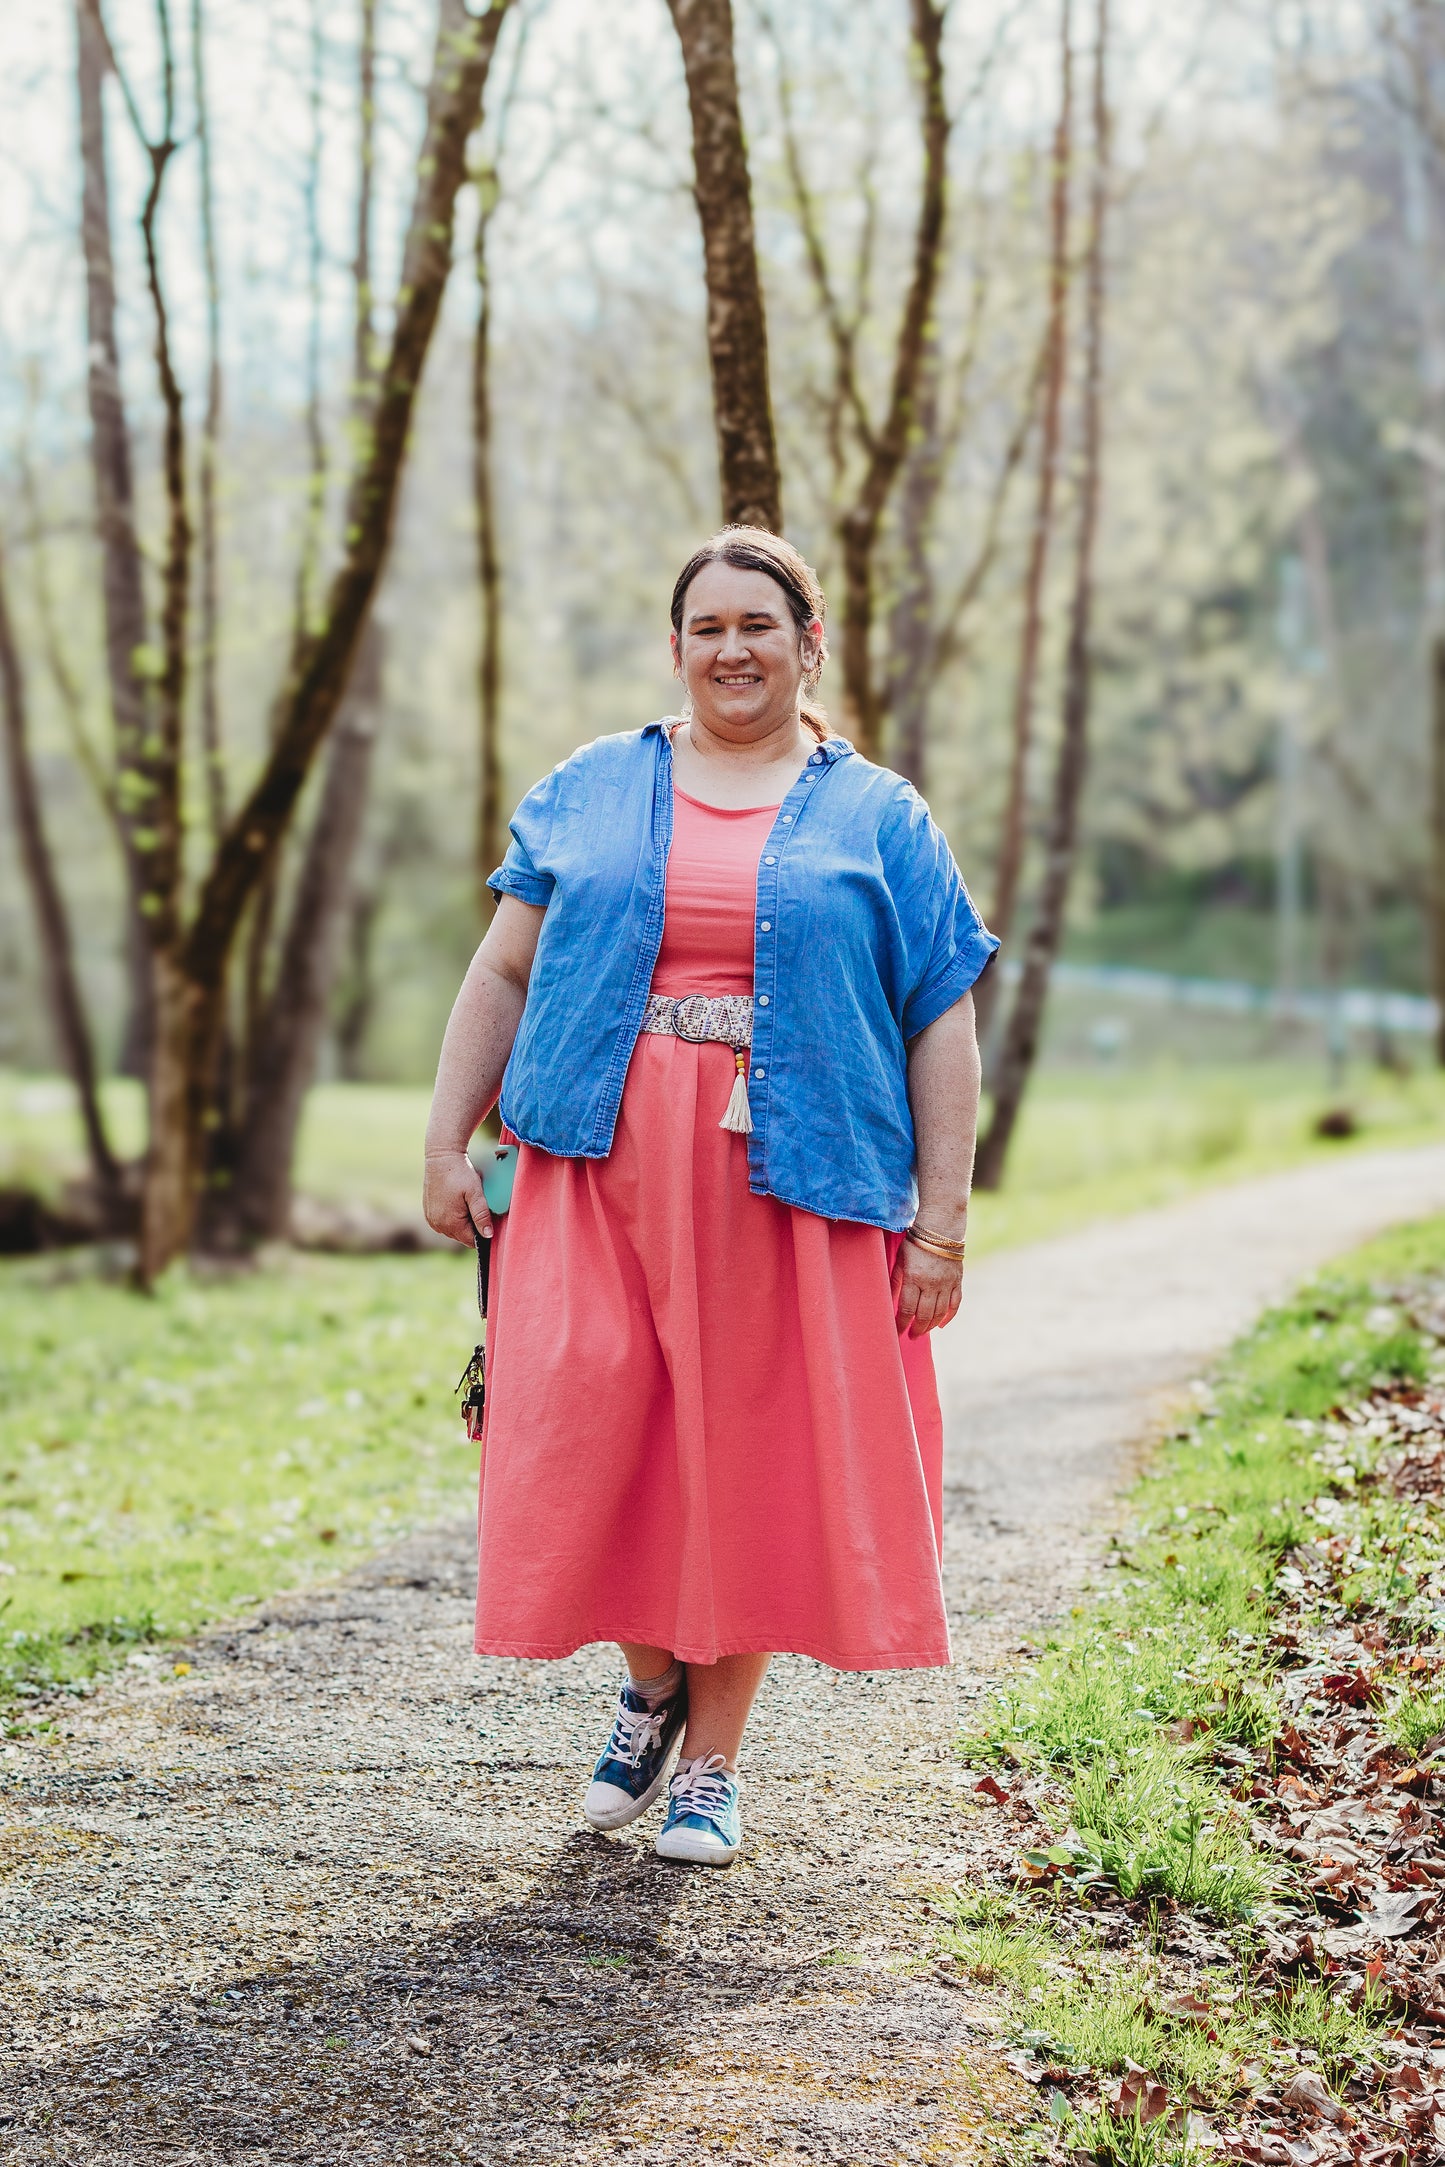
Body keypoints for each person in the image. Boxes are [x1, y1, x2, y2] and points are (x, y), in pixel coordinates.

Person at [423, 527, 995, 1867]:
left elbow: (941, 1020)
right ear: (674, 648)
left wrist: (942, 1219)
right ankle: (653, 1682)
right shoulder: (587, 787)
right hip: (589, 1157)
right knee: (592, 1418)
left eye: (758, 624)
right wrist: (449, 1140)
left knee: (740, 1450)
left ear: (810, 643)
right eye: (706, 627)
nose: (731, 649)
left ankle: (710, 1769)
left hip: (783, 1169)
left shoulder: (879, 817)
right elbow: (501, 973)